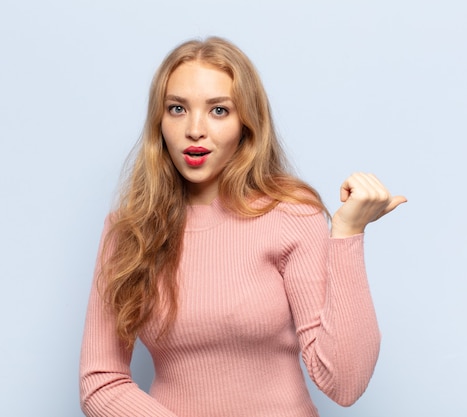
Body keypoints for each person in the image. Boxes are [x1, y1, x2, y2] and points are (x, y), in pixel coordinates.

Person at [79, 36, 406, 417]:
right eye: (177, 109)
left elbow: (344, 383)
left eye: (219, 110)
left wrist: (348, 235)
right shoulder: (128, 231)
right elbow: (101, 381)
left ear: (246, 124)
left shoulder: (291, 214)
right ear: (159, 122)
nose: (195, 129)